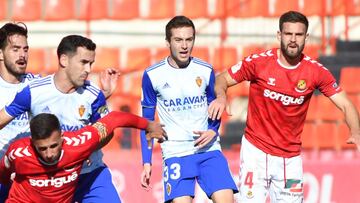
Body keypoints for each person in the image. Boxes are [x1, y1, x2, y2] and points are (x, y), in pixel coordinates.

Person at [208, 11, 360, 202]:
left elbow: (346, 104)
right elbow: (222, 78)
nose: (293, 40)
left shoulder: (315, 72)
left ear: (306, 37)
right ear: (279, 35)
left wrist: (356, 132)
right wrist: (221, 97)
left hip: (290, 159)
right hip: (256, 153)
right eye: (288, 34)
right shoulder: (259, 63)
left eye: (298, 35)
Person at [0, 35, 121, 202]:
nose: (88, 69)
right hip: (50, 180)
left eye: (91, 64)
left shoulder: (93, 95)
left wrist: (86, 150)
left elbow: (107, 131)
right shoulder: (34, 92)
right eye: (83, 62)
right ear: (64, 60)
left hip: (90, 175)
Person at [140, 16, 238, 203]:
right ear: (168, 42)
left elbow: (214, 107)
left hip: (208, 150)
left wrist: (213, 129)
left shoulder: (205, 69)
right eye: (178, 40)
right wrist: (146, 162)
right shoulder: (153, 75)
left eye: (189, 39)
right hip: (175, 152)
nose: (184, 46)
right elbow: (147, 124)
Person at [0, 111, 167, 202]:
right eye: (42, 149)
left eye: (54, 146)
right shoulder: (19, 153)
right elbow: (4, 173)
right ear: (32, 142)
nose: (49, 154)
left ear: (62, 137)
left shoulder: (79, 143)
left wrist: (148, 125)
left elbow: (114, 119)